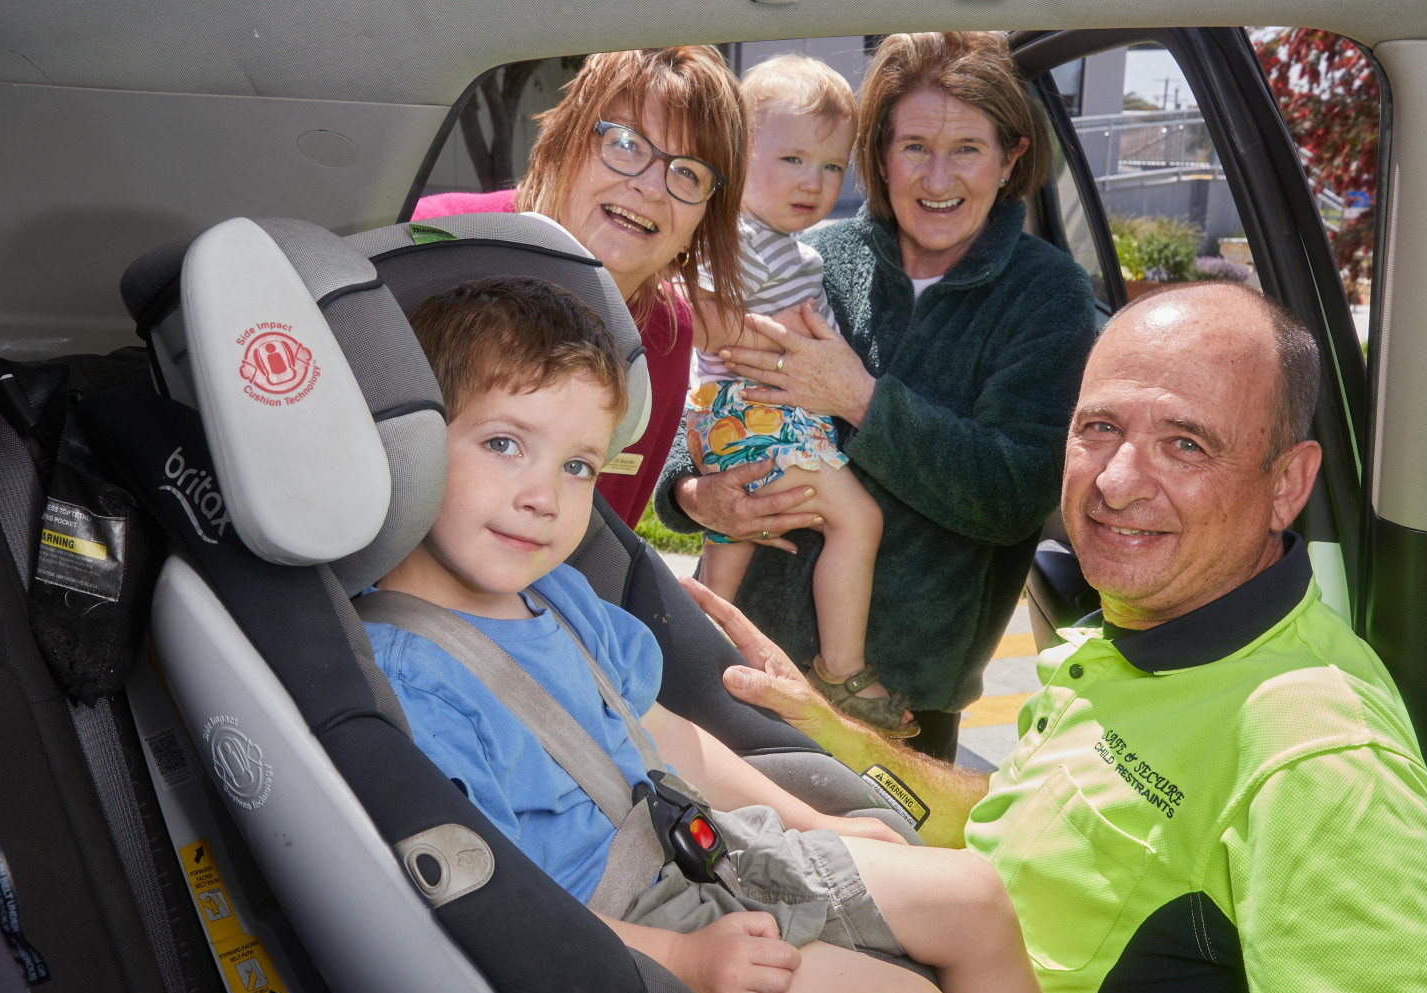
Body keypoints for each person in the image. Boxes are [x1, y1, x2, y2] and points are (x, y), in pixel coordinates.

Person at [684, 280, 1427, 993]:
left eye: (1186, 446)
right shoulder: (1144, 629)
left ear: (1285, 483)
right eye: (1098, 429)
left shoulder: (1308, 738)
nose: (1117, 484)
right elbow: (1033, 823)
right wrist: (831, 727)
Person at [364, 277, 1154, 993]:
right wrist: (679, 963)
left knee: (967, 890)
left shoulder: (554, 596)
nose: (545, 497)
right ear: (408, 445)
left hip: (700, 853)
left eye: (578, 466)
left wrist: (815, 830)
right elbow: (492, 908)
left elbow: (653, 737)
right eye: (503, 444)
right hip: (615, 932)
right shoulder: (408, 674)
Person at [655, 31, 1099, 762]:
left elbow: (1016, 492)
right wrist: (694, 491)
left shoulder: (1045, 293)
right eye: (913, 145)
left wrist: (862, 399)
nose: (936, 176)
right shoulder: (811, 254)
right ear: (880, 153)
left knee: (878, 869)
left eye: (966, 149)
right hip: (747, 654)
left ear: (1011, 156)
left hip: (898, 692)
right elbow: (702, 382)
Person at [413, 48, 744, 528]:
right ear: (564, 139)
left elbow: (602, 541)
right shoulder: (434, 240)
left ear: (701, 223)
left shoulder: (667, 336)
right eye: (627, 143)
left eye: (688, 173)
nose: (652, 187)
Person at [683, 56, 913, 736]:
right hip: (758, 414)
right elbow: (702, 316)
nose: (814, 183)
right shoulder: (737, 236)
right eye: (792, 159)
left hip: (736, 421)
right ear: (737, 154)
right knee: (858, 521)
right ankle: (841, 670)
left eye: (832, 167)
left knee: (730, 551)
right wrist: (776, 336)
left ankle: (692, 659)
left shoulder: (782, 245)